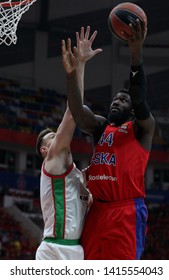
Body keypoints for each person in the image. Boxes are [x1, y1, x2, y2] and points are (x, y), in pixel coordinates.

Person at [63, 20, 155, 260]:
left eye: (123, 101)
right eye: (114, 98)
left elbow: (139, 96)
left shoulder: (142, 129)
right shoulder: (101, 127)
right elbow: (77, 111)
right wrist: (73, 73)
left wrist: (135, 52)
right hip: (96, 211)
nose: (116, 101)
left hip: (125, 211)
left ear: (133, 110)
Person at [35, 26, 102, 260]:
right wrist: (80, 66)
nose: (58, 138)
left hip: (76, 250)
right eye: (52, 138)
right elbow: (73, 113)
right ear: (45, 150)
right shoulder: (53, 160)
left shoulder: (77, 176)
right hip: (53, 250)